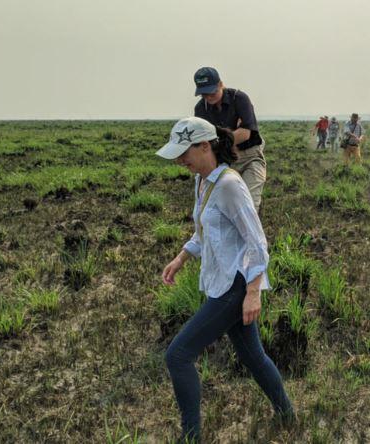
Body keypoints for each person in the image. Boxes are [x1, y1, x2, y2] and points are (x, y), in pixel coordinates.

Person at [156, 117, 293, 442]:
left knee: (178, 355)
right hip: (222, 282)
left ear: (206, 145)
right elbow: (203, 230)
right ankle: (287, 415)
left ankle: (191, 437)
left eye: (184, 152)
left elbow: (257, 241)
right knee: (253, 357)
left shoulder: (230, 184)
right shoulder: (204, 181)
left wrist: (253, 292)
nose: (180, 160)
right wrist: (181, 257)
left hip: (235, 287)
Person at [193, 67, 266, 212]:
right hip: (223, 161)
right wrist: (233, 134)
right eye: (204, 94)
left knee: (248, 206)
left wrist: (217, 139)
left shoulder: (239, 98)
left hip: (249, 158)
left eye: (211, 91)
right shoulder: (200, 109)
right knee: (223, 208)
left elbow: (245, 134)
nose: (208, 97)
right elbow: (202, 141)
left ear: (220, 84)